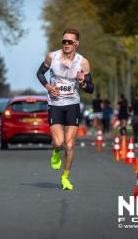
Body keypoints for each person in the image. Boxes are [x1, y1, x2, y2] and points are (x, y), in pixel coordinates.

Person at [36, 28, 94, 190]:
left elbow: (90, 88)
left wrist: (82, 82)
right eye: (64, 41)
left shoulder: (83, 62)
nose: (66, 44)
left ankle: (65, 177)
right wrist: (48, 86)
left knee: (69, 145)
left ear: (76, 43)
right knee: (59, 142)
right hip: (55, 104)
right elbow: (40, 73)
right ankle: (55, 151)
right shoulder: (52, 57)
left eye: (70, 42)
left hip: (72, 104)